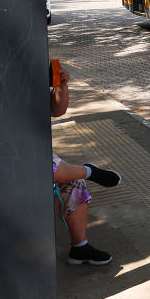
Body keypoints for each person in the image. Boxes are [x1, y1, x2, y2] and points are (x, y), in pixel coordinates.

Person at [51, 65, 121, 265]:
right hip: (5, 164)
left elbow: (58, 109)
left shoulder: (28, 74)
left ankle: (80, 247)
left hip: (35, 156)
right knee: (50, 168)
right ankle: (89, 171)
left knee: (74, 184)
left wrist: (62, 86)